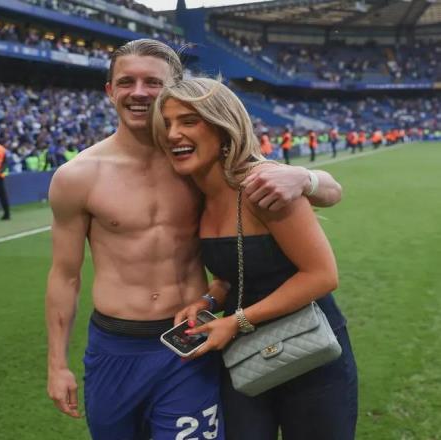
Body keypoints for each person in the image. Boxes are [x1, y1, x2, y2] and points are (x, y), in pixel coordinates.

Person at [45, 39, 344, 440]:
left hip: (189, 343)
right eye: (127, 82)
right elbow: (65, 276)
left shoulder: (198, 164)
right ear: (110, 90)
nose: (138, 92)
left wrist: (306, 177)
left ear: (176, 89)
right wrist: (56, 364)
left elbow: (326, 193)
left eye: (153, 82)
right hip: (115, 345)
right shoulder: (76, 177)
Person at [151, 77, 357, 440]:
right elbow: (235, 274)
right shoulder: (198, 196)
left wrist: (236, 322)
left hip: (310, 352)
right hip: (245, 356)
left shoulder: (264, 184)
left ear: (222, 127)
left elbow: (321, 275)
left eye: (188, 121)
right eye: (167, 124)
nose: (173, 134)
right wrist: (208, 300)